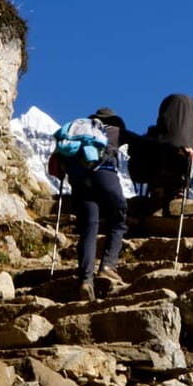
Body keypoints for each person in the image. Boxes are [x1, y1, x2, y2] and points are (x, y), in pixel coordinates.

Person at [63, 107, 132, 301]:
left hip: (79, 180)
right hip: (104, 174)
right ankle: (108, 266)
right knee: (119, 219)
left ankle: (85, 280)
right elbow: (146, 143)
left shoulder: (79, 132)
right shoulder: (116, 130)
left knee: (89, 227)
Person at [143, 94, 193, 212]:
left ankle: (159, 194)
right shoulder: (191, 140)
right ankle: (181, 193)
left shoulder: (157, 134)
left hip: (159, 174)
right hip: (182, 175)